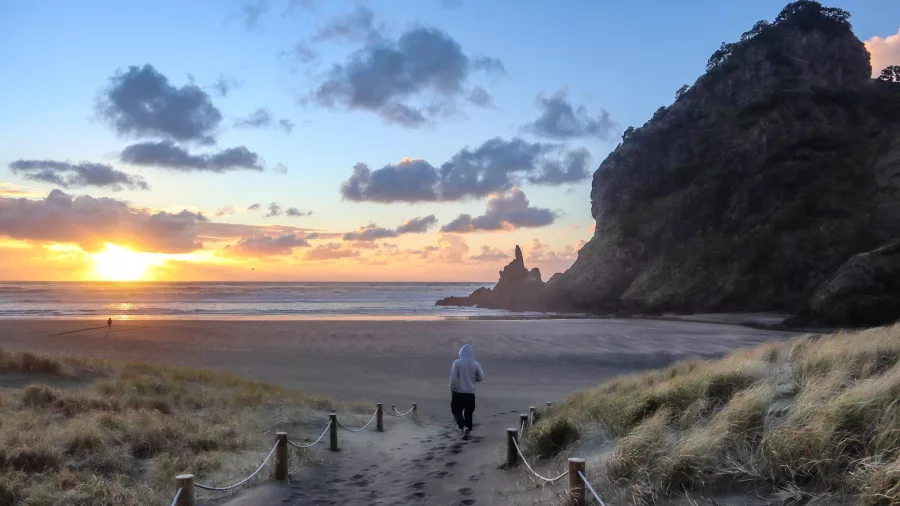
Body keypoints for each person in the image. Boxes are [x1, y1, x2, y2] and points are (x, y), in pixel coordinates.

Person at [449, 344, 484, 440]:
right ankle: (468, 429)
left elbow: (453, 379)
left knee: (456, 411)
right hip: (470, 393)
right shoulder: (475, 364)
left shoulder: (457, 363)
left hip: (459, 392)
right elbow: (481, 377)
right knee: (469, 413)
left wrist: (451, 388)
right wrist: (473, 379)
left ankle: (463, 427)